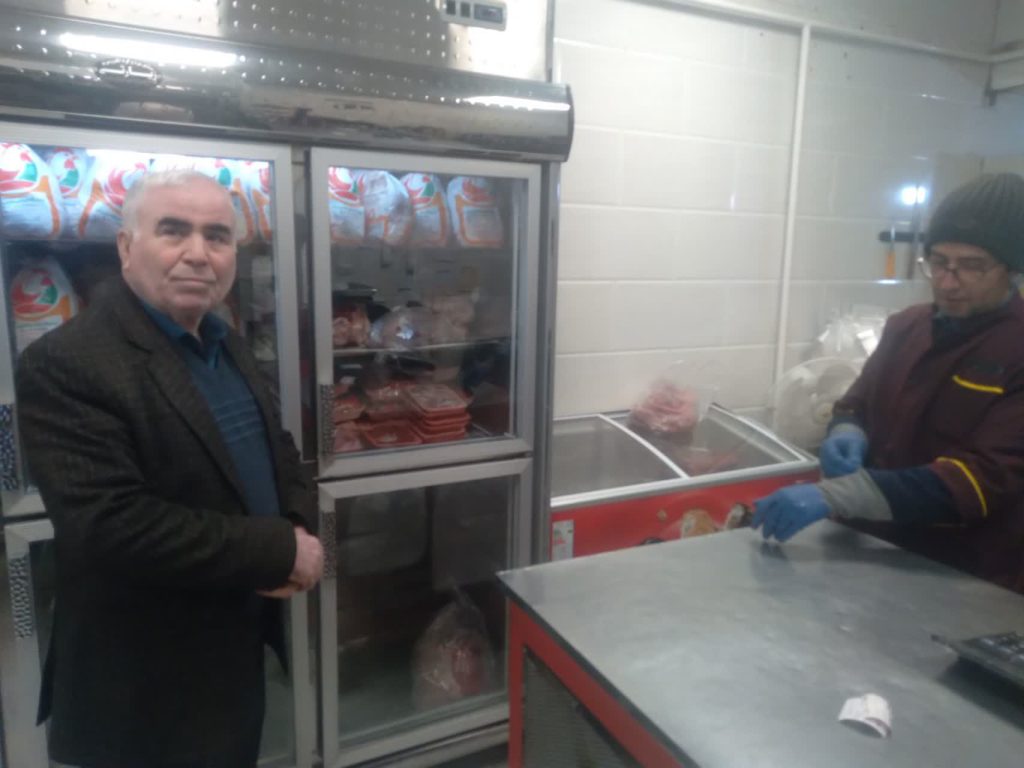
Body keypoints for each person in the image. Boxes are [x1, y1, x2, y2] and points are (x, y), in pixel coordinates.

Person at [15, 169, 324, 768]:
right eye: (173, 230)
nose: (198, 254)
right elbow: (112, 524)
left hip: (232, 649)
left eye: (217, 236)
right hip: (143, 682)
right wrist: (278, 550)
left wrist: (297, 523)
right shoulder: (68, 362)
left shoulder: (222, 339)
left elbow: (277, 447)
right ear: (126, 247)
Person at [752, 173, 1024, 593]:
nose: (947, 282)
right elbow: (857, 400)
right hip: (870, 550)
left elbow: (982, 479)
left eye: (972, 266)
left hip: (963, 575)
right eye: (938, 262)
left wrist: (839, 495)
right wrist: (847, 428)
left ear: (1014, 269)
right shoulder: (907, 326)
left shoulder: (1015, 349)